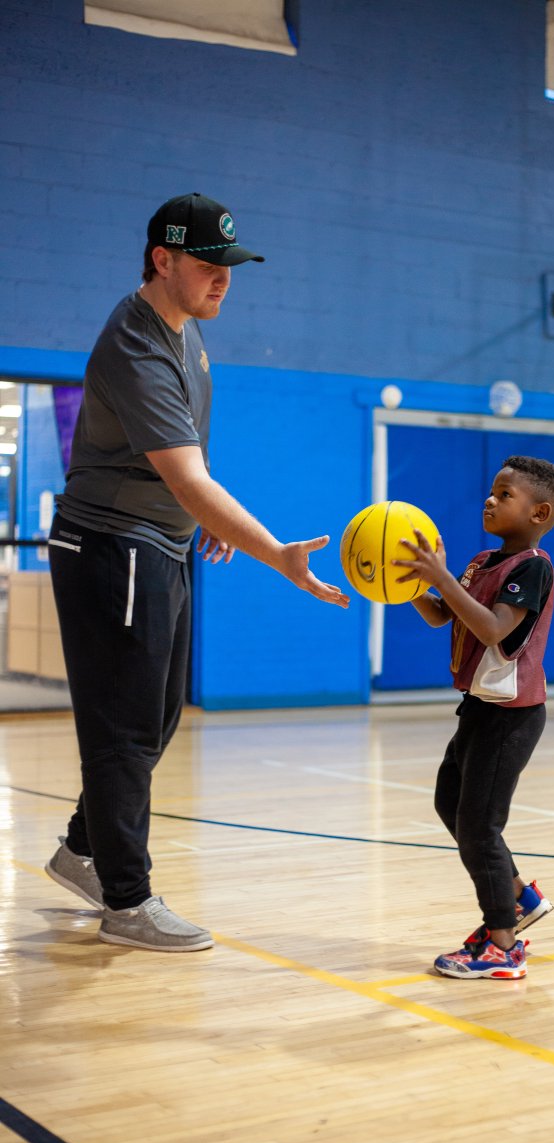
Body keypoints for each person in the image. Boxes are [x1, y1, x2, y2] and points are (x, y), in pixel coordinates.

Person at [45, 192, 349, 953]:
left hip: (160, 543)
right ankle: (126, 899)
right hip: (113, 546)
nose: (224, 280)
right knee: (122, 728)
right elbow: (185, 478)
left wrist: (204, 521)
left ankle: (84, 850)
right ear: (163, 259)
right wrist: (272, 551)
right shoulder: (135, 341)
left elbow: (189, 466)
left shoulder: (186, 336)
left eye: (231, 268)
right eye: (210, 265)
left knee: (155, 719)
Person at [395, 455, 554, 980]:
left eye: (504, 494)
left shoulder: (533, 567)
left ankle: (503, 946)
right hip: (479, 707)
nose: (490, 500)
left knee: (479, 825)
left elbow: (494, 628)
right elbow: (441, 614)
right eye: (491, 492)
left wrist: (444, 578)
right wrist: (403, 584)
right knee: (449, 803)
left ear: (539, 513)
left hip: (512, 716)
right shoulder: (479, 563)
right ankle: (519, 896)